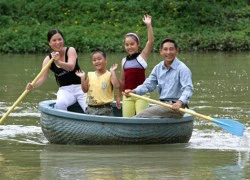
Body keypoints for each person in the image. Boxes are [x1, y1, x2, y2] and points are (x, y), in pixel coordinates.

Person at [124, 38, 193, 118]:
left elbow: (188, 88)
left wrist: (179, 102)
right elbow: (148, 85)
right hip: (162, 105)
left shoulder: (183, 69)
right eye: (165, 49)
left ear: (176, 51)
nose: (168, 52)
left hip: (176, 107)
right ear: (161, 51)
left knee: (141, 116)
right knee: (145, 113)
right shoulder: (158, 68)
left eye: (171, 49)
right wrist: (134, 91)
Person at [26, 29, 87, 112]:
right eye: (54, 40)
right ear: (49, 43)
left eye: (60, 39)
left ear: (63, 40)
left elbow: (71, 67)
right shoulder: (48, 60)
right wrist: (32, 85)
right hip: (65, 90)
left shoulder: (70, 50)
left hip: (81, 88)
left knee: (88, 108)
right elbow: (41, 79)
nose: (58, 42)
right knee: (60, 104)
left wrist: (58, 61)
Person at [116, 14, 154, 117]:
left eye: (132, 44)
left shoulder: (142, 57)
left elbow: (150, 41)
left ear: (138, 45)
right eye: (127, 44)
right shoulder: (124, 61)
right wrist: (119, 96)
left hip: (141, 95)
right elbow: (123, 81)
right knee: (127, 121)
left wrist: (148, 25)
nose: (129, 47)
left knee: (141, 120)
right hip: (127, 95)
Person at [75, 49, 120, 116]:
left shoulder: (109, 74)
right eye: (94, 60)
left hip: (105, 109)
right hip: (90, 109)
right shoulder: (90, 75)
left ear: (105, 60)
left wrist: (113, 72)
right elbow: (85, 90)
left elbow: (117, 86)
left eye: (99, 59)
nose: (97, 61)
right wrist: (82, 77)